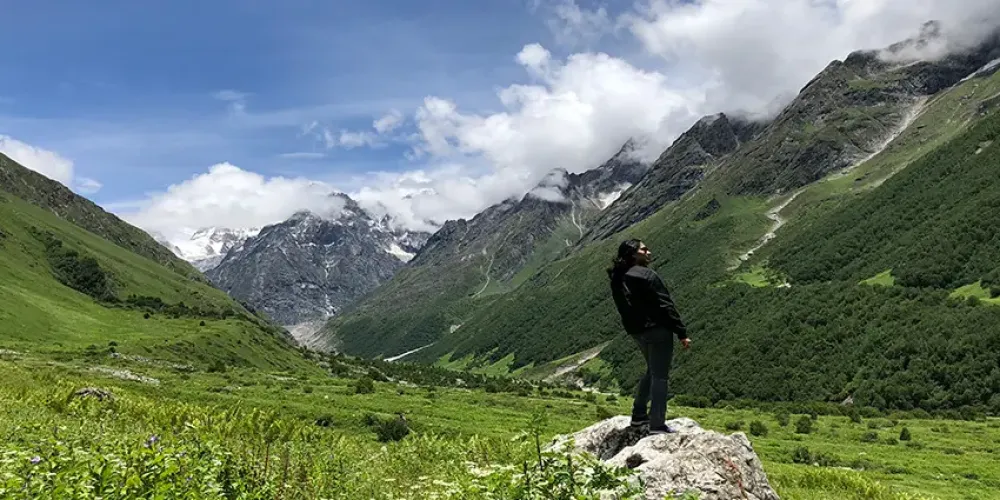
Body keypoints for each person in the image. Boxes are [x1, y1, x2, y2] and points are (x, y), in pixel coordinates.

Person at [607, 238, 691, 434]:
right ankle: (657, 425)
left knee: (651, 371)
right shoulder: (647, 275)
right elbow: (665, 305)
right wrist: (681, 332)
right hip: (658, 330)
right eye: (644, 249)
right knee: (660, 377)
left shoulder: (617, 277)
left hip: (637, 332)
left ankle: (638, 416)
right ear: (634, 254)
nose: (649, 252)